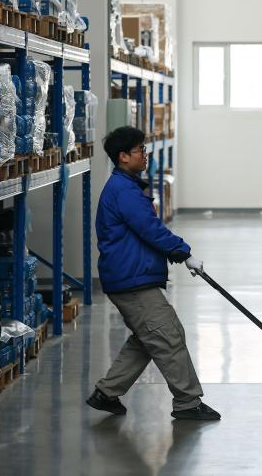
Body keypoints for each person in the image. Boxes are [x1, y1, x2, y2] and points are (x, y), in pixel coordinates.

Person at [86, 126, 221, 421]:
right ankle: (187, 403)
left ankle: (107, 393)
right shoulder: (124, 191)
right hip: (132, 280)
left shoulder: (126, 186)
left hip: (131, 275)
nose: (146, 156)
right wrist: (183, 252)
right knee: (168, 335)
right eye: (140, 151)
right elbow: (150, 229)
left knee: (149, 337)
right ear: (123, 156)